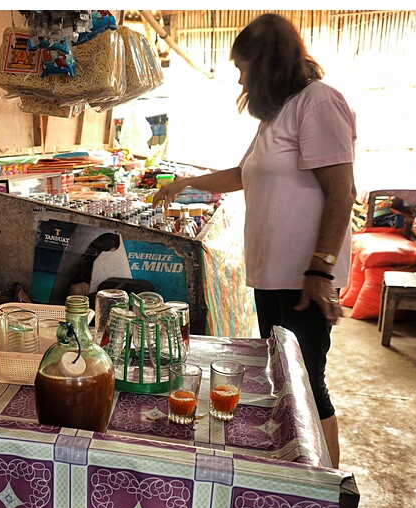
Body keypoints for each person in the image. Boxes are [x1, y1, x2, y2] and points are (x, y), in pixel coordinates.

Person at [153, 13, 356, 468]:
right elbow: (240, 174)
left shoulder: (318, 102)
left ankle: (327, 491)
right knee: (283, 379)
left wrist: (321, 269)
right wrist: (183, 183)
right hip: (274, 274)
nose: (241, 78)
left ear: (267, 63)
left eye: (245, 67)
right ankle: (295, 470)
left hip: (304, 277)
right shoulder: (276, 116)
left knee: (307, 384)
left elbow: (342, 190)